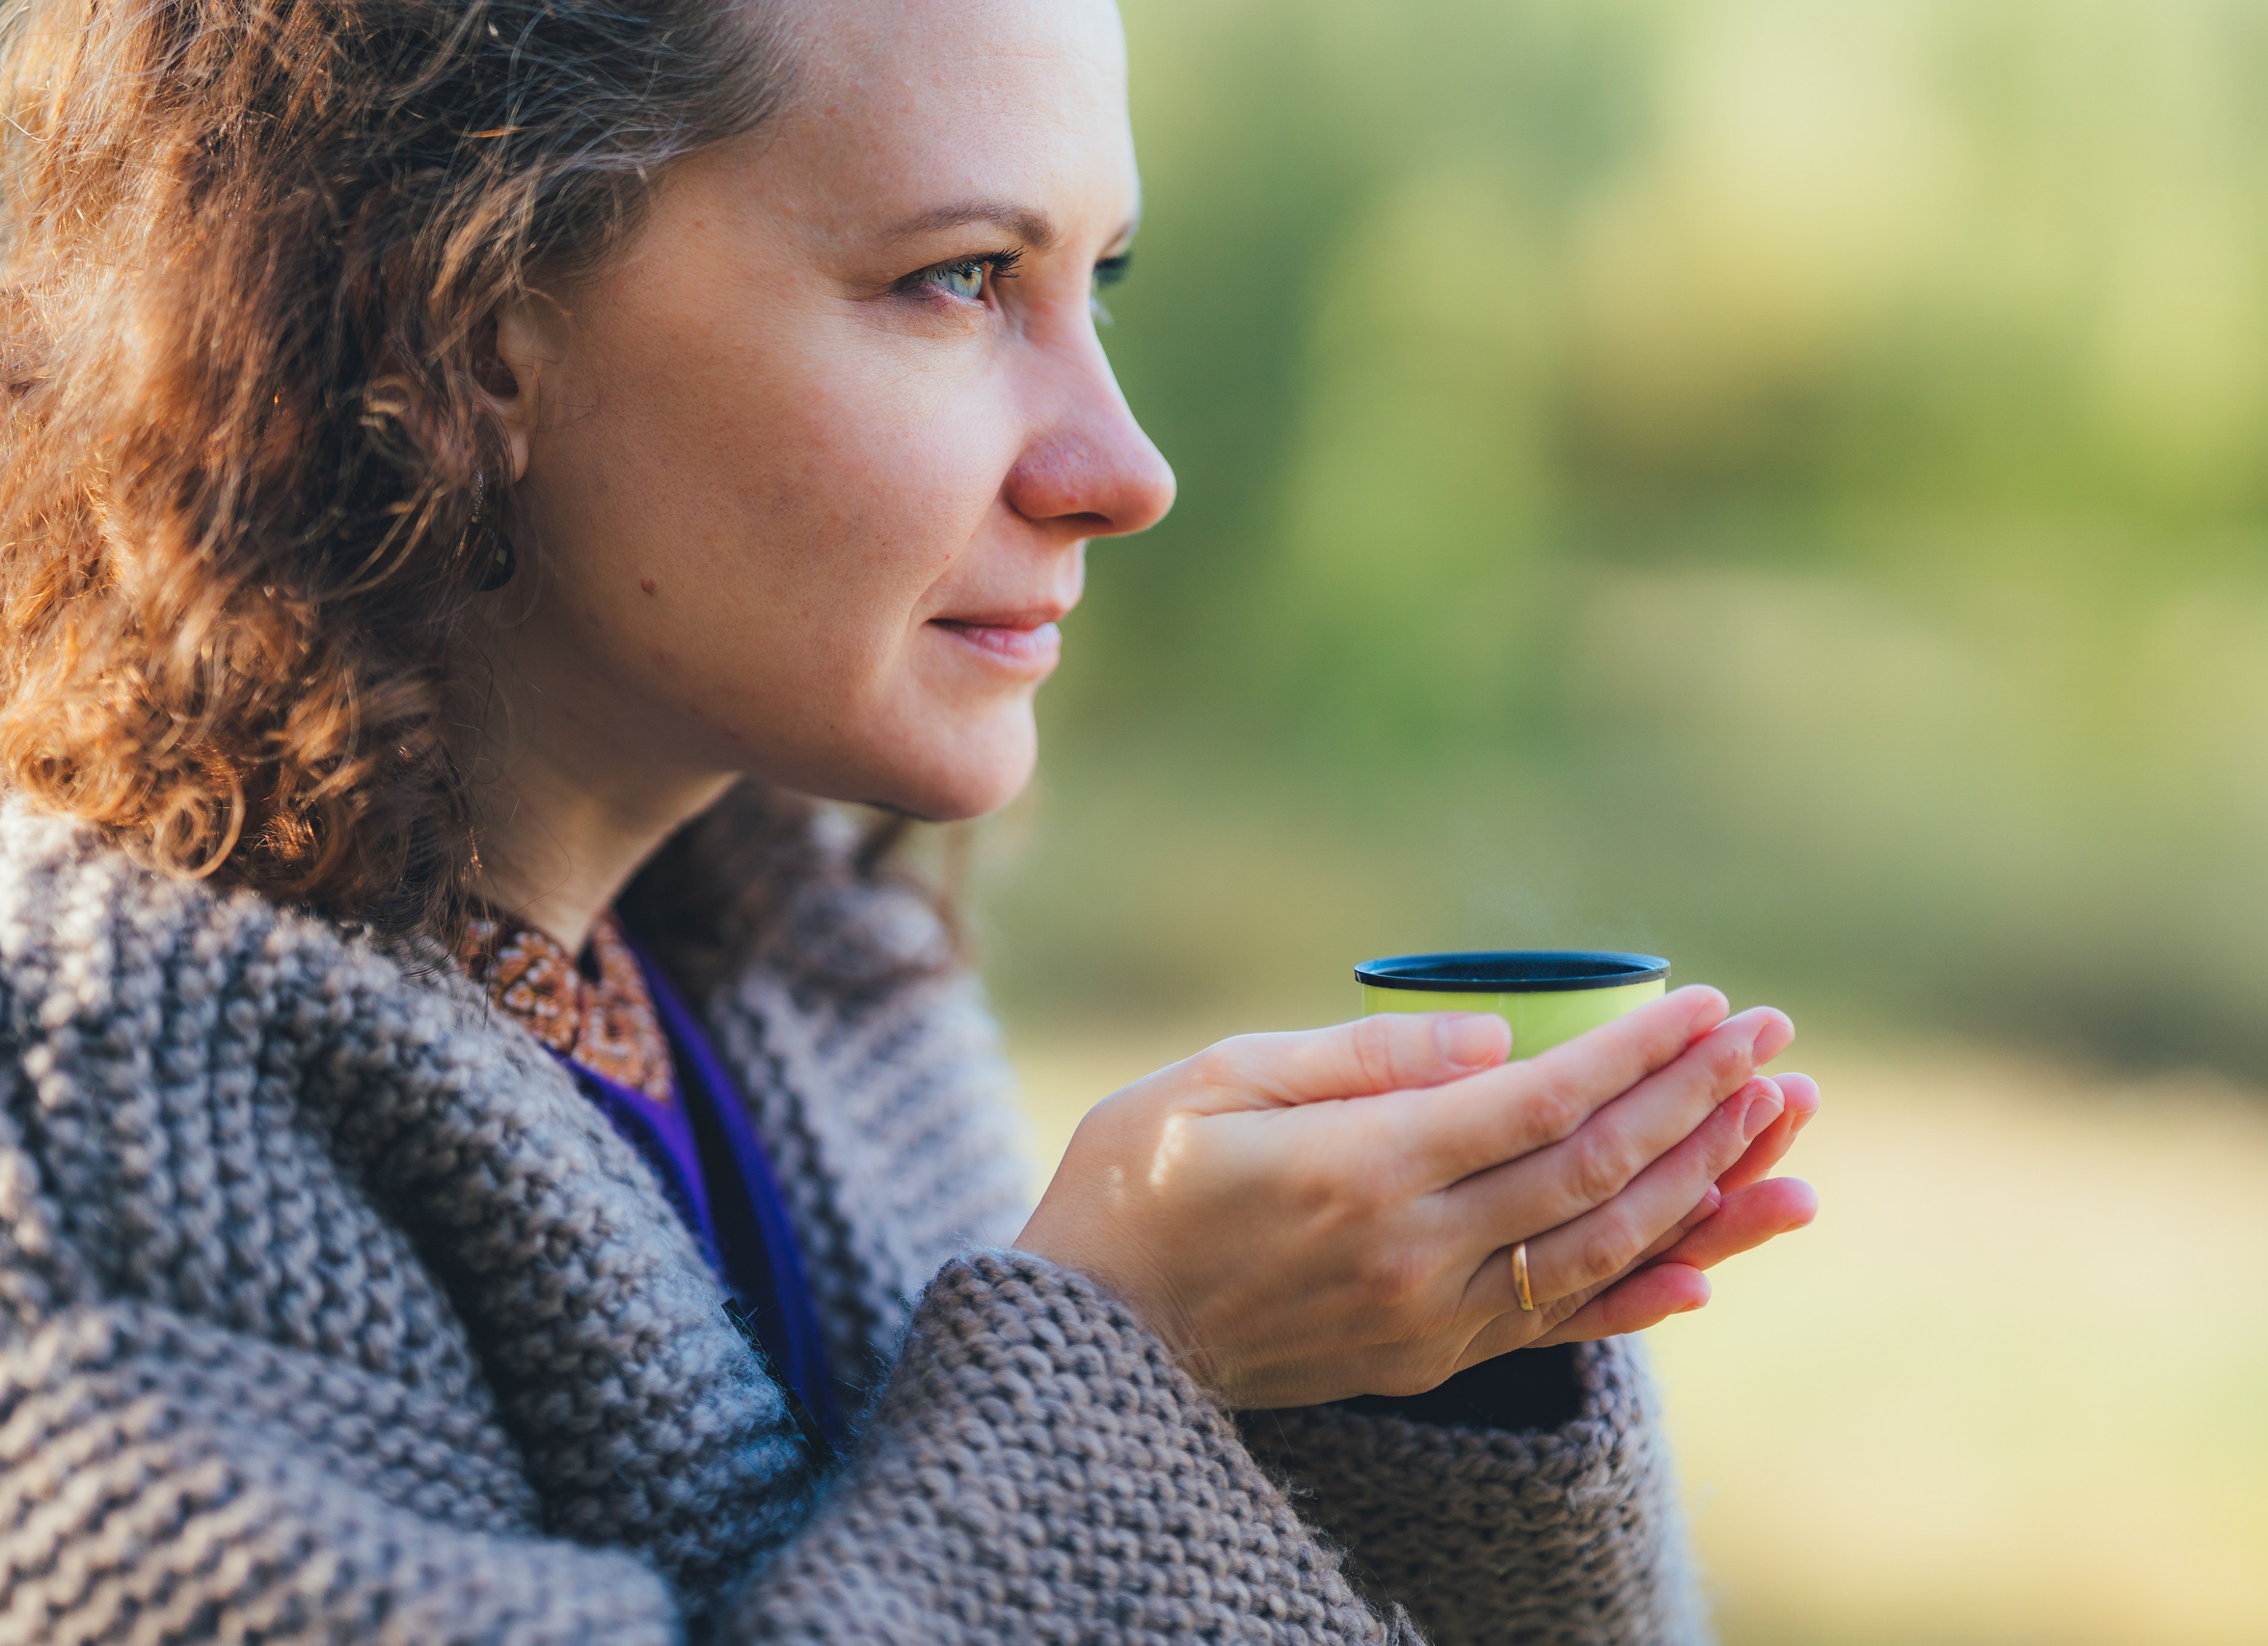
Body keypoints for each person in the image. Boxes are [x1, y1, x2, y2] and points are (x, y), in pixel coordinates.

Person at [0, 0, 1821, 1638]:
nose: (1125, 470)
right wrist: (1138, 1350)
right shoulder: (75, 1120)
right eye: (958, 279)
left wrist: (1390, 1376)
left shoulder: (810, 966)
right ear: (468, 329)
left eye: (1093, 282)